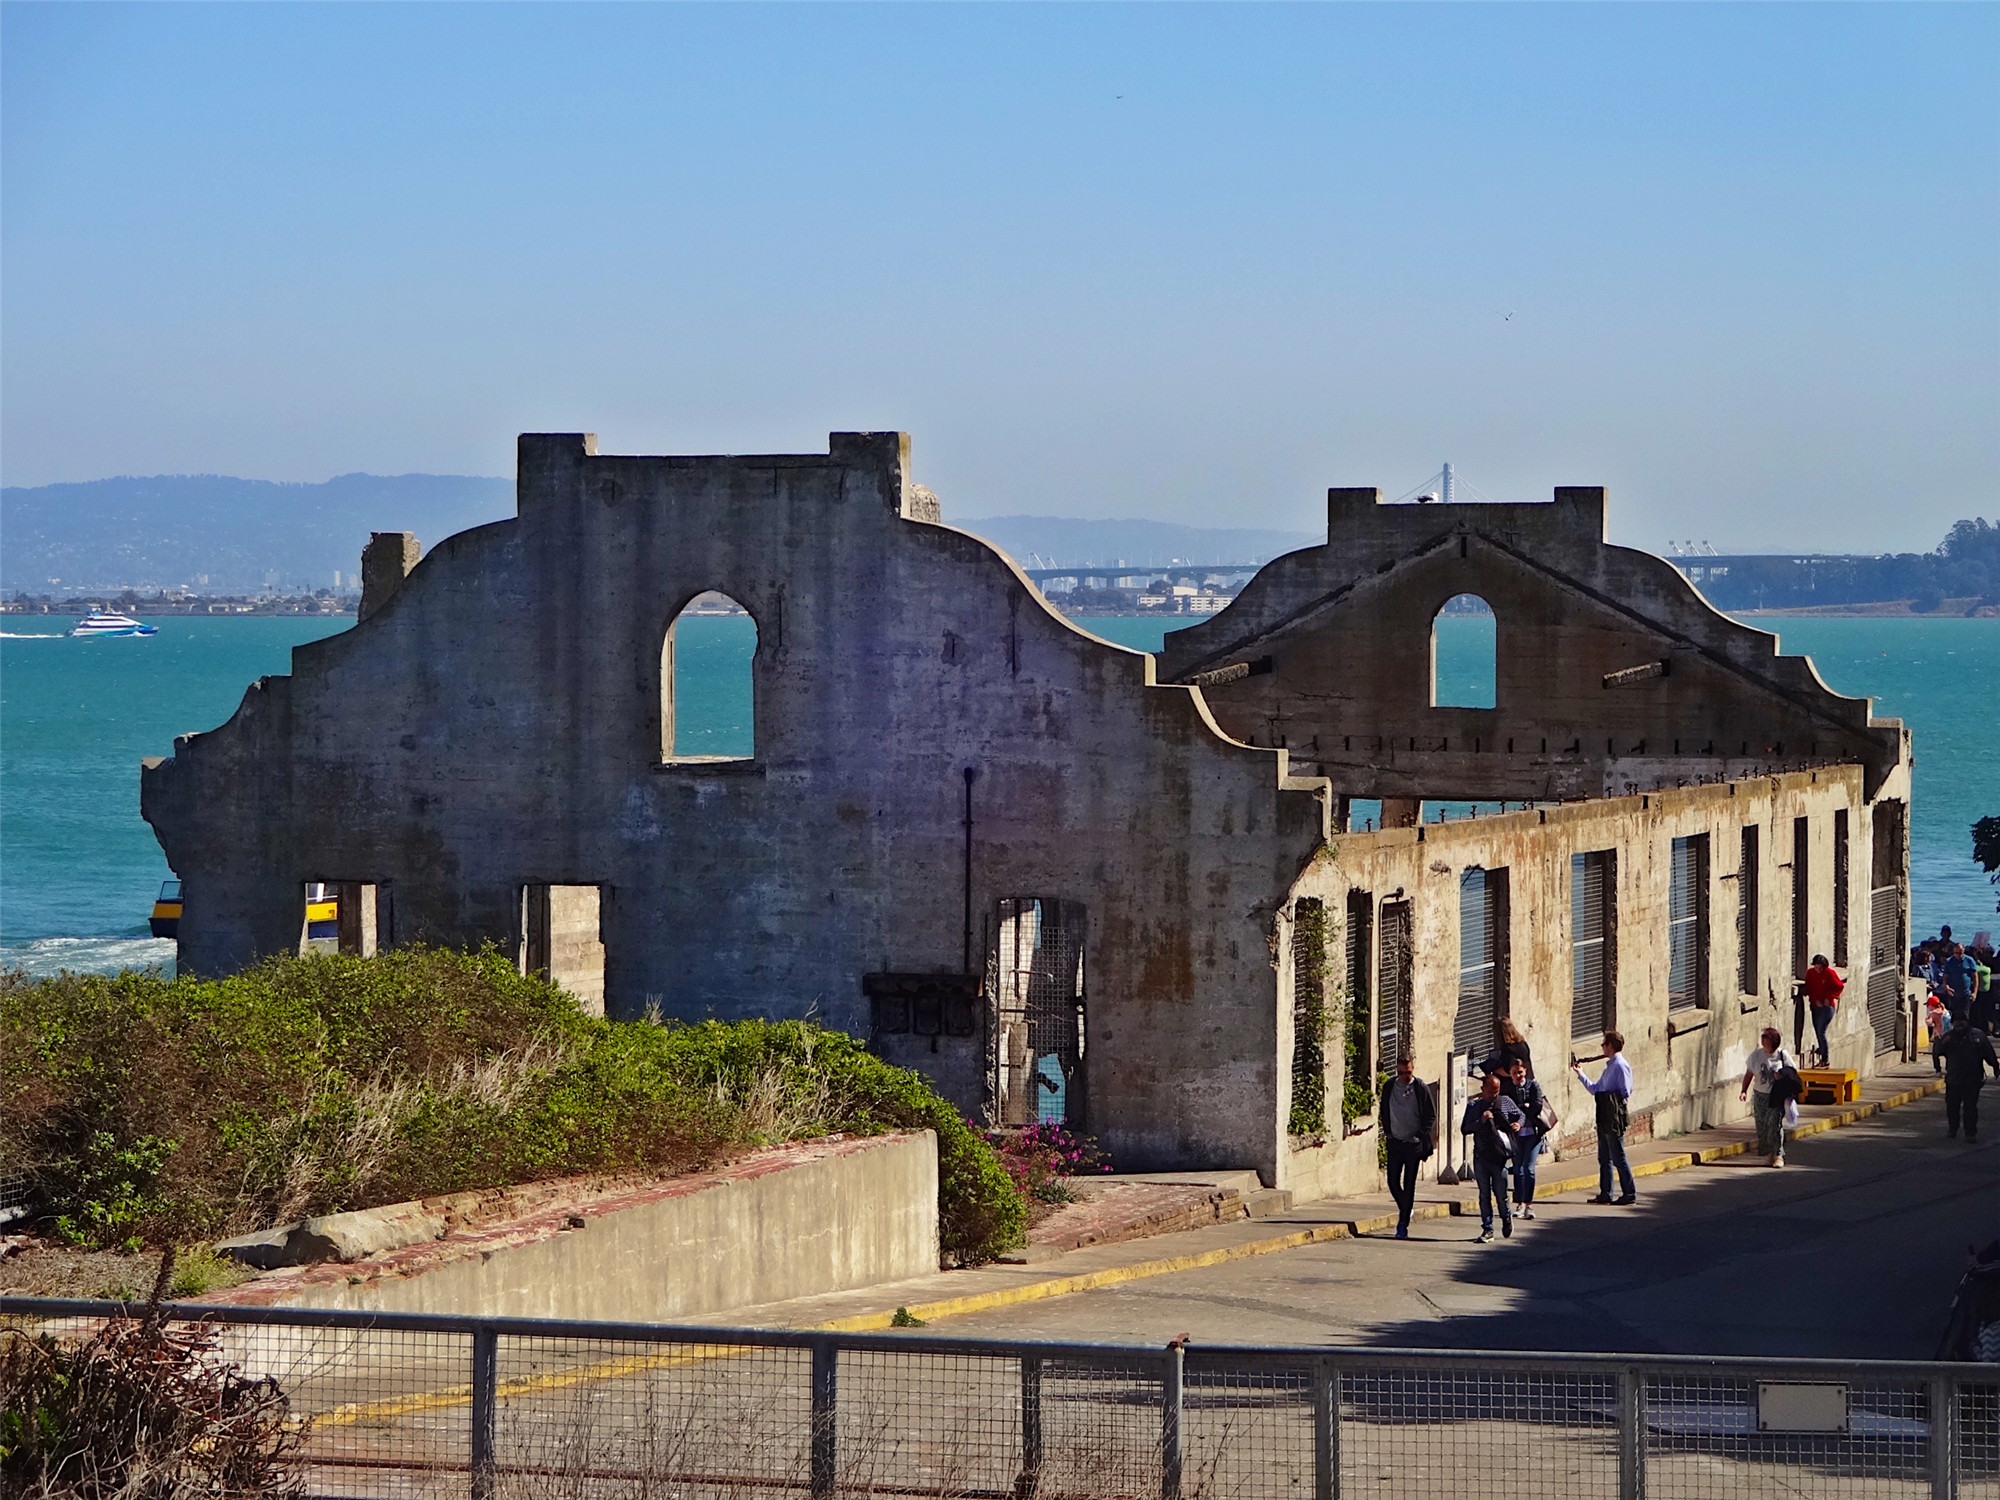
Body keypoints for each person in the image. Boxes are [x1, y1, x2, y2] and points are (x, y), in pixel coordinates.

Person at [1459, 1070, 1524, 1243]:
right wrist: (1481, 1120)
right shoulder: (1474, 1106)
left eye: (1497, 1090)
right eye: (1492, 1091)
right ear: (1483, 1089)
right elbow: (1465, 1129)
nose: (1495, 1094)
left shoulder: (1504, 1102)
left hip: (1499, 1156)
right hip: (1481, 1155)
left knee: (1501, 1193)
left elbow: (1520, 1114)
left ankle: (1506, 1216)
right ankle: (1487, 1228)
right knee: (1484, 1194)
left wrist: (1518, 1123)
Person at [1574, 1031, 1636, 1204]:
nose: (1602, 1047)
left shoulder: (1620, 1065)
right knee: (1604, 1157)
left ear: (1610, 1045)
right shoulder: (1610, 1066)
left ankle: (1629, 1193)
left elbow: (1626, 1090)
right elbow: (1596, 1089)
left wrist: (1613, 1100)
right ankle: (1606, 1192)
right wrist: (1581, 1074)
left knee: (1618, 1156)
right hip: (1603, 1113)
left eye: (1603, 1044)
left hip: (1613, 1114)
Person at [1380, 1053, 1437, 1239]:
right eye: (1403, 1072)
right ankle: (1406, 1207)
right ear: (1397, 1070)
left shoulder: (1419, 1088)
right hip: (1395, 1141)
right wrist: (1388, 1132)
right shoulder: (1389, 1086)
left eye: (1409, 1072)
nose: (1406, 1076)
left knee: (1409, 1182)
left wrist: (1420, 1136)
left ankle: (1403, 1223)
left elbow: (1430, 1115)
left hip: (1413, 1144)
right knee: (1392, 1181)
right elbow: (1384, 1109)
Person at [1739, 1026, 1799, 1167]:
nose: (1763, 1039)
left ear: (1773, 1041)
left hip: (1776, 1096)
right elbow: (1749, 1074)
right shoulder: (1756, 1055)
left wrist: (1781, 1075)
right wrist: (1743, 1091)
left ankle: (1778, 1154)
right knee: (1762, 1126)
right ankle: (1768, 1153)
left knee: (1775, 1125)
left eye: (1766, 1037)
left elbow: (1793, 1072)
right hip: (1760, 1095)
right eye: (1763, 1036)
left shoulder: (1782, 1055)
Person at [1506, 1056, 1552, 1219]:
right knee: (1518, 1170)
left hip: (1533, 1134)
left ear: (1525, 1071)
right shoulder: (1508, 1089)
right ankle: (1519, 1204)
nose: (1518, 1076)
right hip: (1517, 1135)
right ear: (1510, 1075)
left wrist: (1522, 1109)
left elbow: (1537, 1105)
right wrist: (1523, 1107)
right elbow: (1506, 1109)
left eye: (1520, 1072)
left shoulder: (1533, 1086)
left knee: (1529, 1169)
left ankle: (1529, 1205)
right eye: (1514, 1073)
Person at [1939, 1023, 1999, 1143]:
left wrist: (1995, 1067)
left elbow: (1988, 1053)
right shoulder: (1949, 1037)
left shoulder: (1977, 1036)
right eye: (1956, 1022)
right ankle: (1953, 1129)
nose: (1959, 1026)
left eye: (1962, 1022)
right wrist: (1940, 1045)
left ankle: (1970, 1133)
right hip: (1954, 1078)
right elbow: (1938, 1052)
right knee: (1952, 1106)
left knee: (1970, 1107)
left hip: (1972, 1079)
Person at [1801, 954, 1843, 1068]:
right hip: (1815, 1006)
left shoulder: (1829, 973)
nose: (1818, 969)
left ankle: (1825, 1059)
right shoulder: (1810, 973)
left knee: (1821, 1031)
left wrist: (1829, 998)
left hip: (1827, 1007)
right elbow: (1809, 988)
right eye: (1816, 967)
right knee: (1817, 1030)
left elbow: (1839, 986)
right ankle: (1822, 1053)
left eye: (1820, 967)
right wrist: (1815, 1000)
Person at [1941, 943, 1982, 1022]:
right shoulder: (1949, 961)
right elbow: (1945, 976)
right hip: (1953, 993)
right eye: (1956, 953)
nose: (1958, 955)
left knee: (1965, 1015)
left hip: (1966, 993)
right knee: (1954, 1015)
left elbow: (1975, 977)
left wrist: (1975, 992)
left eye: (1960, 953)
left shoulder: (1969, 960)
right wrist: (1946, 987)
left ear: (1963, 951)